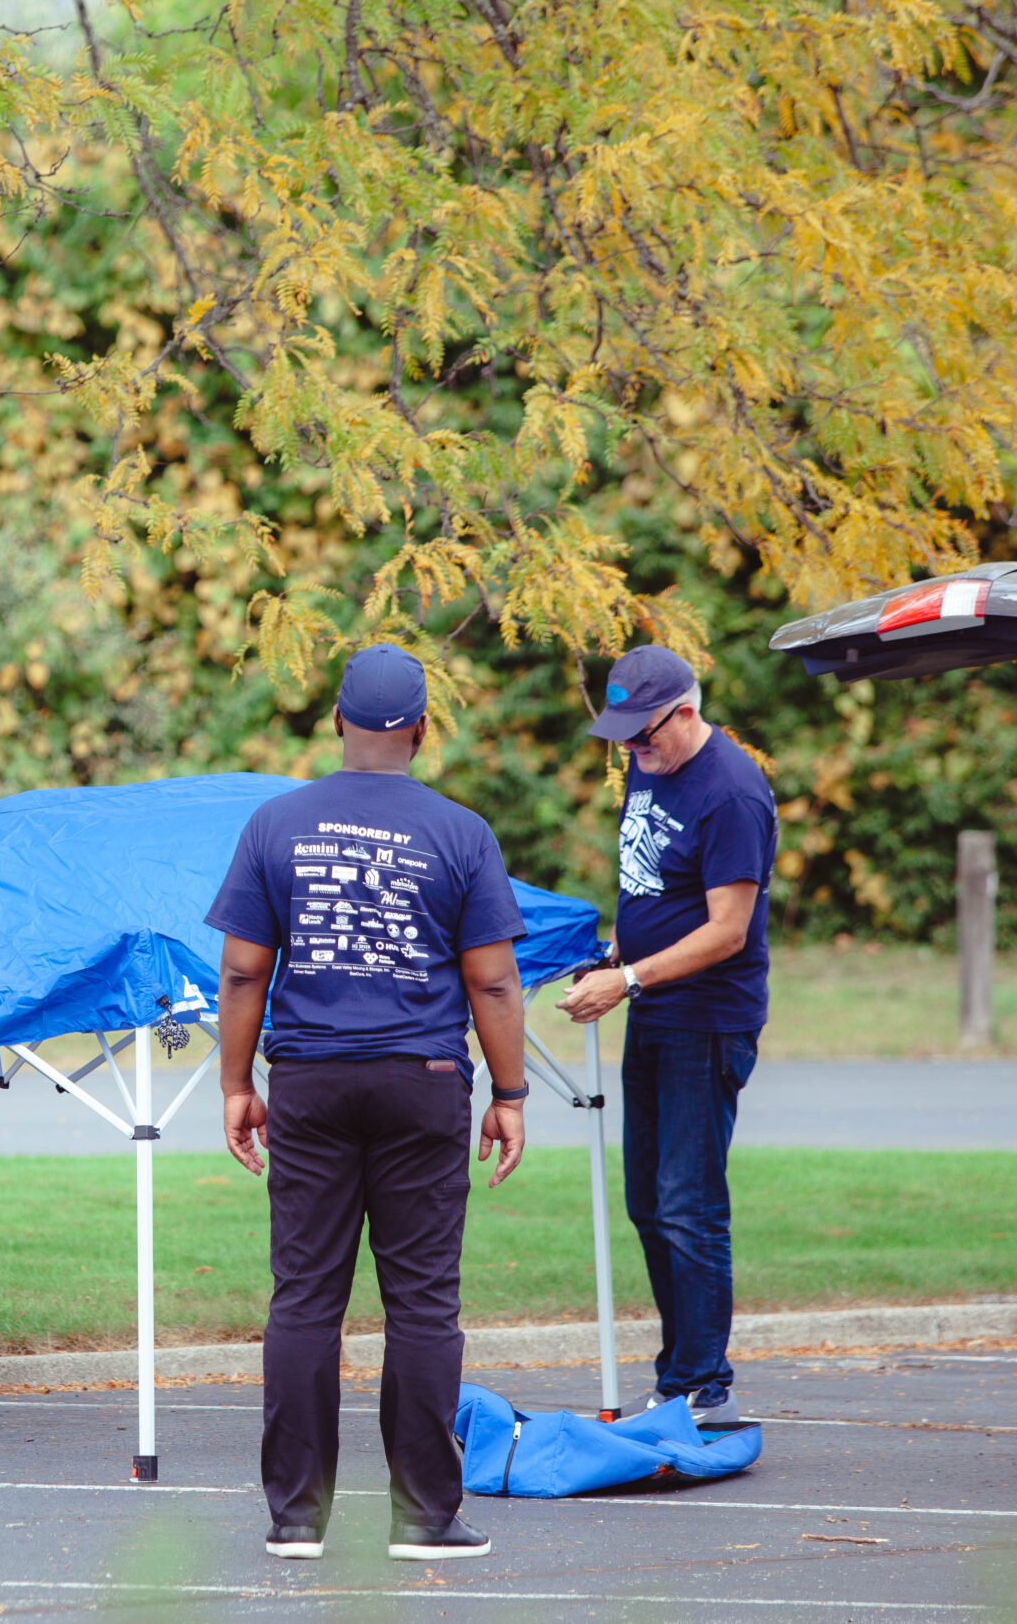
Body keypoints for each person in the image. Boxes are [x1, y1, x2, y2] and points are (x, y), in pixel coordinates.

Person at [208, 644, 533, 1565]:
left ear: (336, 721)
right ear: (423, 729)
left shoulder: (277, 823)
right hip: (422, 1083)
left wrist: (238, 1084)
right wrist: (509, 1093)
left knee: (305, 1298)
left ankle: (297, 1519)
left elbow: (242, 967)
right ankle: (426, 1517)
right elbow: (496, 984)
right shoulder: (461, 832)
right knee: (423, 1303)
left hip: (309, 1080)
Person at [557, 645, 775, 1426]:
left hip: (707, 1018)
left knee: (689, 1203)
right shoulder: (648, 764)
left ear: (686, 711)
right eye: (622, 739)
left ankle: (704, 1383)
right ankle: (679, 1372)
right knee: (648, 1201)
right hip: (650, 1003)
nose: (632, 752)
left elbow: (727, 930)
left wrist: (631, 978)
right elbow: (646, 883)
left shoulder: (732, 792)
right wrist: (615, 954)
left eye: (643, 736)